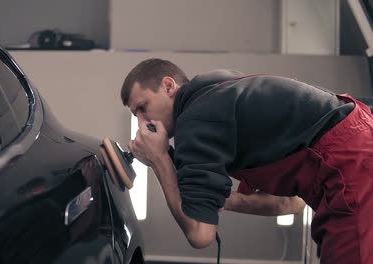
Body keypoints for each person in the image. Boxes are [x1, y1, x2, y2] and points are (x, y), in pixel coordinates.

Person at [121, 58, 373, 264]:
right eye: (136, 115)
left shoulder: (196, 119)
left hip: (352, 163)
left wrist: (159, 160)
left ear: (168, 86)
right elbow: (290, 203)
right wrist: (227, 201)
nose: (143, 122)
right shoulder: (219, 93)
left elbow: (200, 234)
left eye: (143, 107)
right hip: (358, 145)